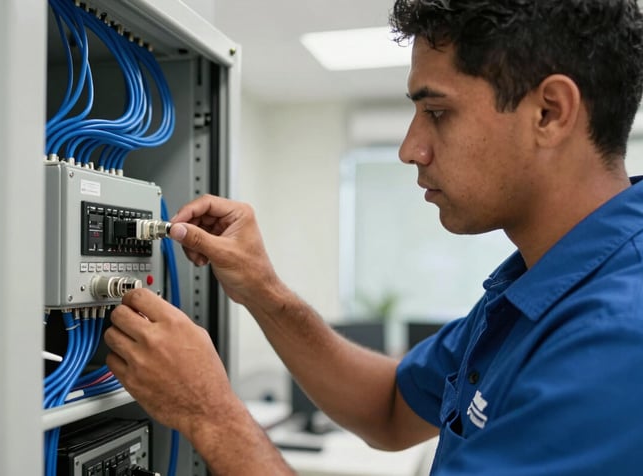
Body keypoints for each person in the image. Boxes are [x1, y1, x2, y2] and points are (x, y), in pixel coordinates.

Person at [103, 0, 643, 474]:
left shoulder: (618, 338)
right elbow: (387, 407)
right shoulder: (533, 290)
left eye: (437, 112)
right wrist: (262, 289)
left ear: (549, 112)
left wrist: (209, 414)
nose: (410, 149)